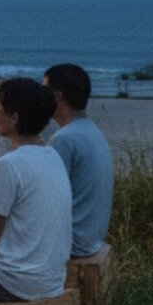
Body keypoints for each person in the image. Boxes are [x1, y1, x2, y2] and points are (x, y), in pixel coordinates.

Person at [0, 79, 73, 302]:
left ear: (14, 118)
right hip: (51, 280)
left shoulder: (9, 164)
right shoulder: (53, 156)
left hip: (13, 281)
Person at [44, 63, 113, 258]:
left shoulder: (63, 140)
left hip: (71, 243)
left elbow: (44, 200)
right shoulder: (92, 131)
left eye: (45, 91)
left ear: (57, 96)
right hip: (90, 238)